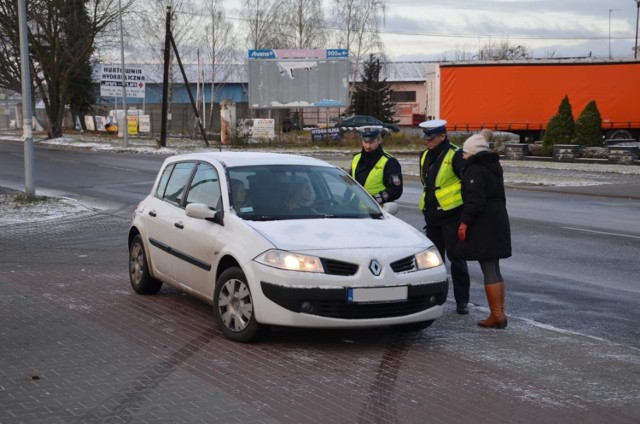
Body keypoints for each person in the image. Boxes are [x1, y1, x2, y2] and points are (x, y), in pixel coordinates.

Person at [455, 134, 512, 329]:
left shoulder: (475, 169)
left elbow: (475, 200)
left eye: (465, 152)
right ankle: (500, 312)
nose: (463, 155)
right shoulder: (494, 167)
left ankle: (496, 315)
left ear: (473, 153)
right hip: (498, 218)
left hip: (484, 222)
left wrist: (464, 223)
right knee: (494, 267)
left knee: (488, 266)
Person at [418, 119, 471, 314]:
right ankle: (434, 298)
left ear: (443, 136)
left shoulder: (455, 155)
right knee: (433, 261)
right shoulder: (424, 155)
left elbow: (466, 184)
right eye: (426, 138)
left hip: (452, 214)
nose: (428, 142)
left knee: (456, 259)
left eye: (431, 138)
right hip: (432, 215)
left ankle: (462, 300)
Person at [349, 126, 403, 204]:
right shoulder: (356, 158)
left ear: (379, 140)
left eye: (371, 142)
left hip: (376, 212)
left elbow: (395, 190)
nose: (368, 146)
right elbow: (350, 183)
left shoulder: (389, 162)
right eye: (365, 142)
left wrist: (374, 200)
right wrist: (345, 202)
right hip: (354, 210)